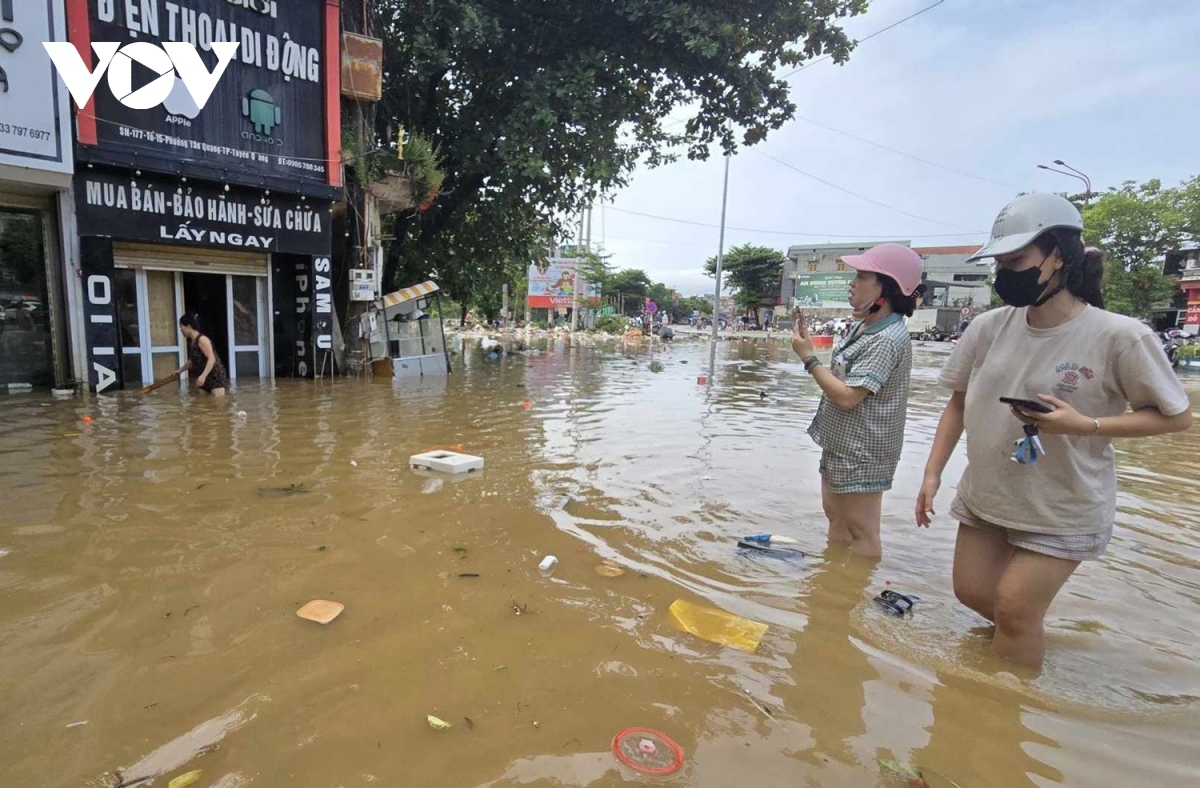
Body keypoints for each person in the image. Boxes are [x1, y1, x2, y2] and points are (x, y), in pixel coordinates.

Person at [915, 193, 1192, 670]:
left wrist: (1085, 425)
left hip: (1063, 505)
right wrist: (932, 473)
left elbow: (1176, 416)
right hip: (988, 493)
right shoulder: (986, 327)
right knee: (973, 593)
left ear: (1059, 256)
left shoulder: (1120, 336)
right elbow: (958, 404)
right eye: (1000, 262)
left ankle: (1009, 712)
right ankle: (1023, 646)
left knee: (1016, 608)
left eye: (1017, 260)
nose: (1006, 273)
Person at [792, 243, 926, 558]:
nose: (852, 283)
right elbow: (844, 376)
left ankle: (853, 594)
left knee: (862, 530)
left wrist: (809, 359)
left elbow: (848, 397)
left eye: (863, 276)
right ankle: (833, 584)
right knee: (836, 516)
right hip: (843, 442)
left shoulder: (886, 339)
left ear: (889, 289)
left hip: (864, 449)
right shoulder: (864, 326)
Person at [177, 314, 229, 396]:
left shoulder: (202, 340)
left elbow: (211, 359)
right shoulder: (193, 342)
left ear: (188, 326)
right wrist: (180, 371)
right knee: (202, 404)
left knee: (218, 405)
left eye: (181, 327)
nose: (181, 330)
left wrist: (203, 376)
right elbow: (192, 361)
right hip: (203, 378)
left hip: (214, 377)